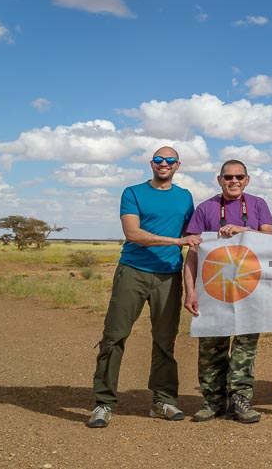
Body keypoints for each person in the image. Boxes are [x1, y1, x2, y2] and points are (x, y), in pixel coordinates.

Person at [87, 147, 196, 429]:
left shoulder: (184, 197)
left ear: (177, 165)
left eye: (169, 160)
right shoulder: (133, 192)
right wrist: (176, 243)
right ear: (151, 164)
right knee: (114, 336)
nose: (164, 163)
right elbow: (133, 233)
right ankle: (103, 403)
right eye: (159, 159)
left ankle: (163, 401)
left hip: (168, 276)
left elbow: (192, 235)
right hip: (133, 272)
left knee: (164, 340)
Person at [183, 160, 272, 424]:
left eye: (239, 177)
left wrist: (243, 230)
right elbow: (192, 253)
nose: (233, 181)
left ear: (247, 180)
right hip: (213, 289)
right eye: (228, 177)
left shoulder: (257, 205)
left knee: (245, 348)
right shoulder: (205, 208)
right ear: (219, 179)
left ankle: (241, 400)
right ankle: (212, 401)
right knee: (211, 346)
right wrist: (189, 291)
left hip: (250, 289)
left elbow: (270, 240)